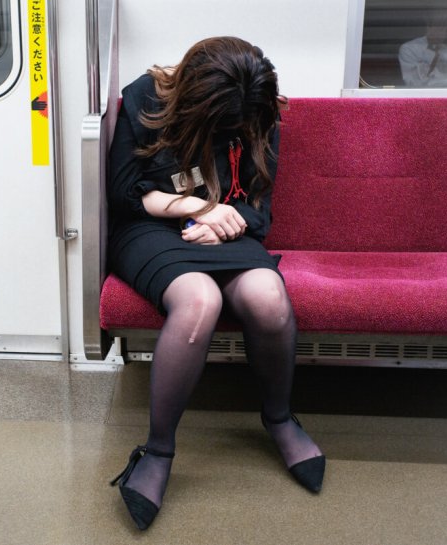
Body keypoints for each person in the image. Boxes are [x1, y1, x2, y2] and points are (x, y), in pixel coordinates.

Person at [107, 37, 325, 531]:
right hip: (149, 229)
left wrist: (223, 221)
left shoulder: (258, 109)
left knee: (268, 297)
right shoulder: (145, 97)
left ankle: (278, 419)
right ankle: (158, 449)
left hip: (228, 230)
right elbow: (123, 194)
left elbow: (259, 212)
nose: (238, 131)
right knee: (199, 299)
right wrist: (198, 207)